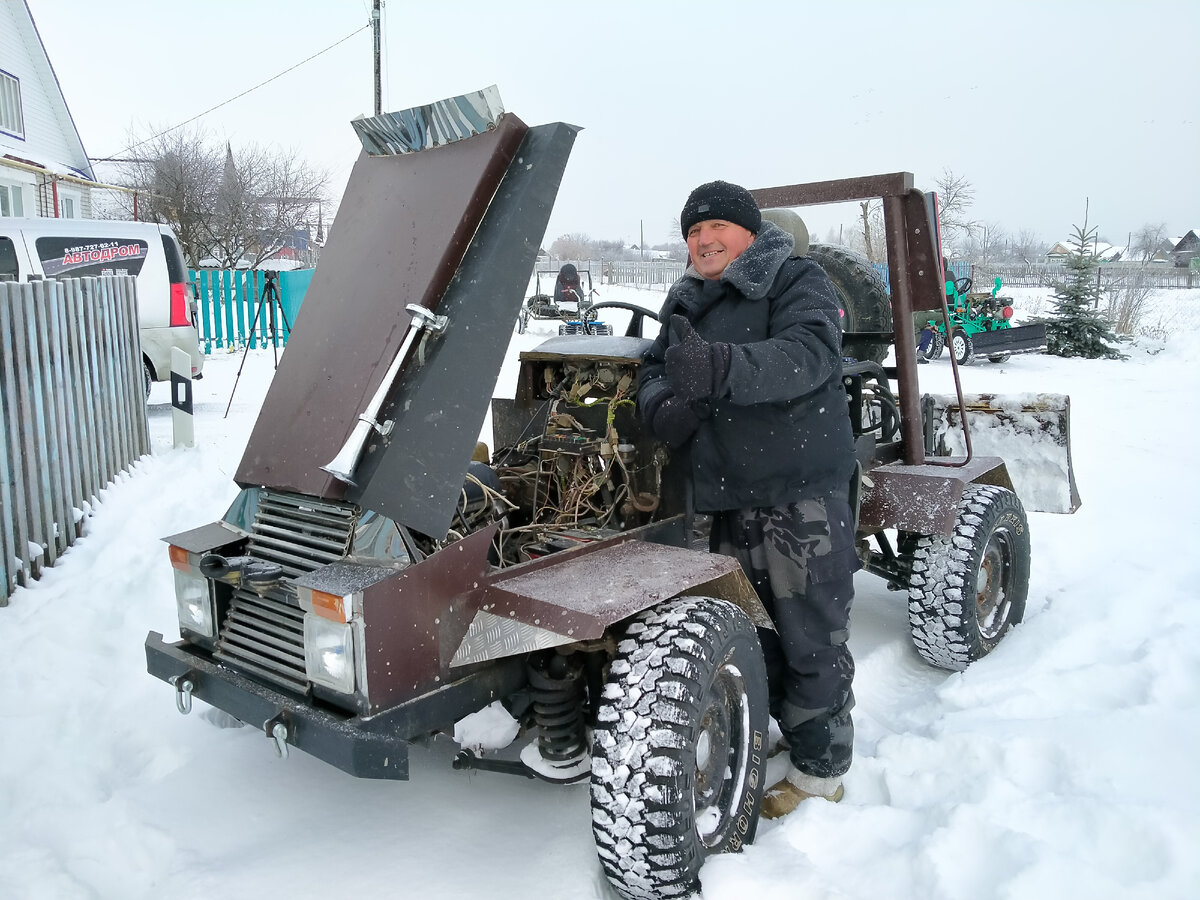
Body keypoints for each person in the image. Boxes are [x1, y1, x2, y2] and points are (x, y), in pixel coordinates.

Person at [639, 180, 860, 818]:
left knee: (810, 635)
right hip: (721, 495)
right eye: (692, 232)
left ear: (749, 231)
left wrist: (722, 368)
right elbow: (654, 369)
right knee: (753, 632)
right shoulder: (684, 298)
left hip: (797, 494)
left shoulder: (797, 279)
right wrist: (665, 406)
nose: (703, 240)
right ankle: (760, 733)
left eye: (716, 228)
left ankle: (821, 770)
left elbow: (809, 353)